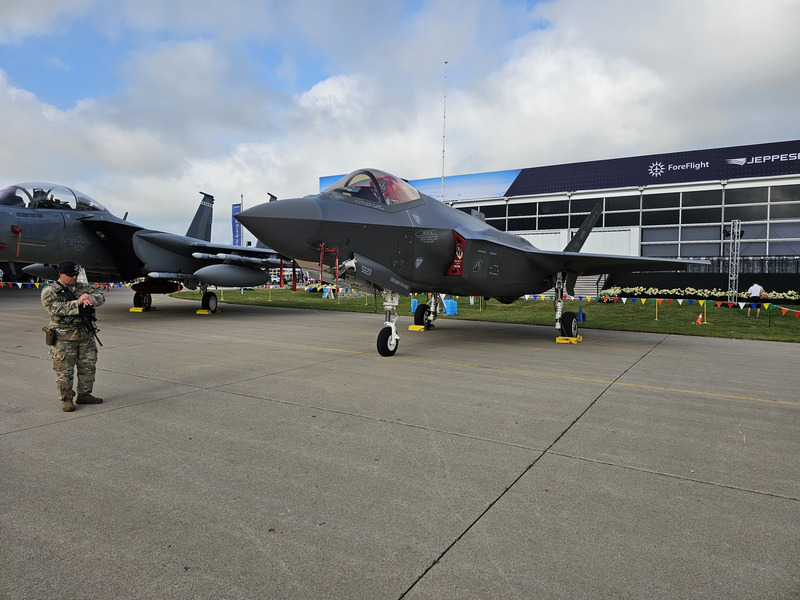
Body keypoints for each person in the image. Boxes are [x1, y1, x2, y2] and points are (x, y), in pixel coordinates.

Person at [41, 261, 105, 412]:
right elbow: (53, 308)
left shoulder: (82, 287)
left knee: (88, 367)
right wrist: (78, 303)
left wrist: (91, 300)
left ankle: (84, 395)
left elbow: (100, 296)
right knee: (64, 372)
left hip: (85, 335)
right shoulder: (50, 290)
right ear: (61, 274)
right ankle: (67, 399)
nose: (74, 277)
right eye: (71, 275)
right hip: (64, 339)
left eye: (76, 274)